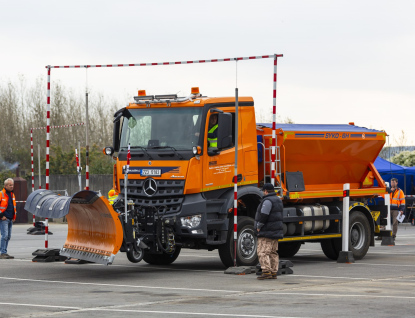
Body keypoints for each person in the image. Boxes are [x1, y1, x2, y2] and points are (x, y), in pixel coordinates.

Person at [255, 183, 284, 280]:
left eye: (263, 191)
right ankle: (273, 272)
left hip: (267, 231)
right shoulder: (278, 200)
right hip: (275, 231)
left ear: (266, 191)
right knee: (273, 252)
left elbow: (264, 214)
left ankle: (266, 271)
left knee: (262, 252)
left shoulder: (267, 201)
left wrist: (259, 226)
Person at [0, 178, 16, 259]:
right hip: (3, 219)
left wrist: (14, 216)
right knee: (5, 235)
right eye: (10, 185)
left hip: (10, 218)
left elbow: (13, 207)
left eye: (12, 185)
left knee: (8, 236)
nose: (12, 186)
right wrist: (1, 215)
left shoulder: (12, 194)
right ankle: (2, 252)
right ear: (5, 186)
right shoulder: (1, 194)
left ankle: (4, 252)